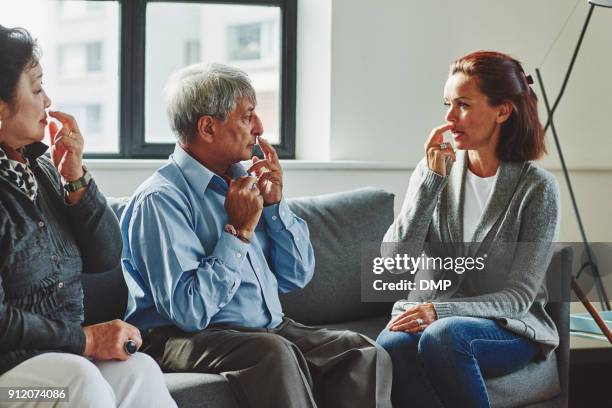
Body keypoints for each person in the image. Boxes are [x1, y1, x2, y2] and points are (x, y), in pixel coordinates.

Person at [120, 63, 392, 408]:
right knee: (271, 351)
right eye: (248, 116)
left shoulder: (247, 184)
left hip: (266, 330)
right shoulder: (160, 200)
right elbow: (188, 313)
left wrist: (275, 206)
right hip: (179, 337)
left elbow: (297, 276)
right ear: (207, 127)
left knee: (361, 349)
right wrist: (238, 232)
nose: (260, 128)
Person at [0, 26, 176, 408]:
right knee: (76, 380)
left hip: (60, 360)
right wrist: (86, 340)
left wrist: (76, 177)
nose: (47, 101)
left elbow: (106, 257)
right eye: (36, 88)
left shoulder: (41, 170)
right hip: (10, 381)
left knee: (138, 370)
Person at [376, 51, 560, 408]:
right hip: (436, 317)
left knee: (445, 336)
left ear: (502, 111)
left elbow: (519, 298)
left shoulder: (537, 188)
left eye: (462, 104)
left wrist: (440, 312)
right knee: (392, 343)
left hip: (509, 326)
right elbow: (393, 265)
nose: (448, 117)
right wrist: (431, 183)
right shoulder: (433, 171)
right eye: (447, 104)